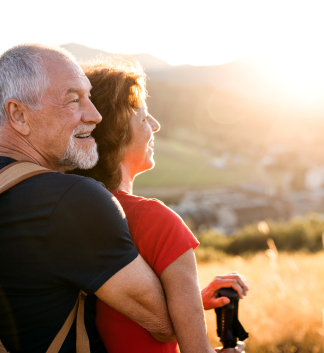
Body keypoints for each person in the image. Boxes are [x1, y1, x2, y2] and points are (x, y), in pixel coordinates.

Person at [0, 44, 176, 352]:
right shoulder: (69, 200)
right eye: (73, 100)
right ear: (19, 115)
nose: (95, 115)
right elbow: (166, 324)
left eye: (89, 97)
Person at [72, 57, 249, 353]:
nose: (155, 125)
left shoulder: (73, 210)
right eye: (143, 118)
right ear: (116, 133)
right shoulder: (157, 221)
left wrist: (194, 299)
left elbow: (117, 314)